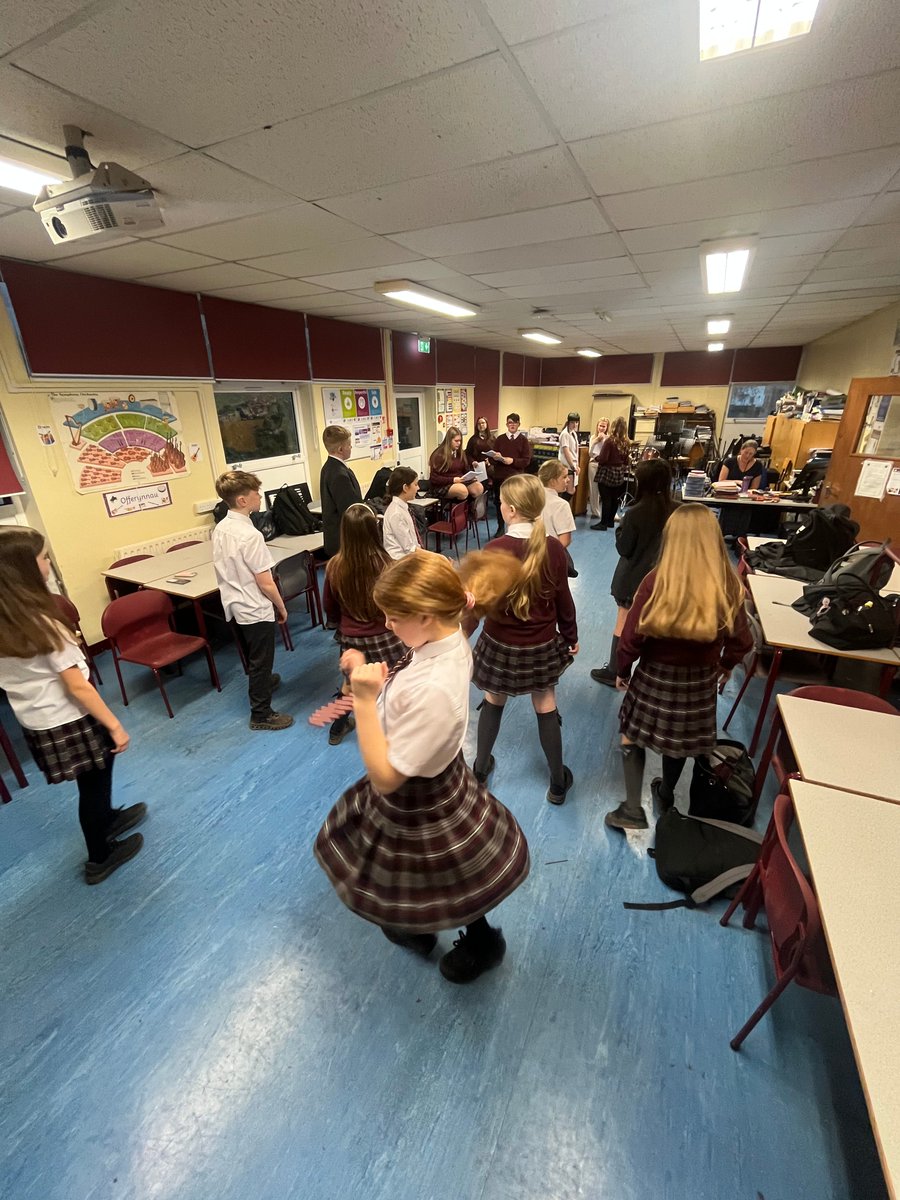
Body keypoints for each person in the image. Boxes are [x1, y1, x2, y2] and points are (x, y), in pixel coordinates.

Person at [314, 550, 530, 984]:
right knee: (436, 873)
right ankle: (418, 925)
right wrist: (367, 674)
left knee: (449, 875)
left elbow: (387, 778)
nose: (388, 626)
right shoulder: (445, 637)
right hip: (437, 772)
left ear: (428, 616)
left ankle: (482, 943)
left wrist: (361, 699)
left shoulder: (434, 689)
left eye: (394, 617)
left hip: (416, 789)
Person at [0, 527, 145, 884]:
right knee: (93, 783)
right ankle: (100, 857)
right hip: (70, 719)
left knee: (94, 778)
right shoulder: (44, 625)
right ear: (26, 570)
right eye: (44, 557)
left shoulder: (8, 619)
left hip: (38, 720)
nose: (49, 562)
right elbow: (78, 688)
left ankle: (109, 818)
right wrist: (114, 725)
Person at [605, 505, 752, 831]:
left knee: (631, 736)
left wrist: (623, 669)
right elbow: (744, 641)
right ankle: (667, 794)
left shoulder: (655, 581)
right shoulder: (728, 585)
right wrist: (726, 665)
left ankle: (632, 809)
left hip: (655, 676)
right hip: (699, 682)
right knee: (679, 741)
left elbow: (632, 635)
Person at [471, 474, 578, 805]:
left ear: (512, 510)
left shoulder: (493, 549)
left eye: (501, 503)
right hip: (541, 644)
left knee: (494, 699)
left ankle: (479, 769)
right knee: (545, 703)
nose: (499, 506)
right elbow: (564, 600)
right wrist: (571, 636)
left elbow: (480, 603)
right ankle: (557, 781)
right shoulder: (553, 550)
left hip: (499, 643)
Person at [212, 470, 293, 732]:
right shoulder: (251, 536)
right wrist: (280, 606)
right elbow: (265, 581)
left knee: (252, 655)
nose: (260, 496)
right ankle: (261, 713)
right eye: (256, 493)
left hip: (234, 603)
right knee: (261, 660)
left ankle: (264, 681)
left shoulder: (221, 527)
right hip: (254, 606)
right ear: (243, 500)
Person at [323, 504, 405, 746]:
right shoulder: (387, 564)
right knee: (395, 679)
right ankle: (397, 728)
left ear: (344, 532)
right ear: (374, 530)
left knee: (349, 685)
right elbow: (397, 603)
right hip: (386, 636)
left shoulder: (334, 566)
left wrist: (343, 626)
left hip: (352, 638)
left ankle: (336, 729)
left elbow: (329, 606)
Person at [591, 459, 676, 686]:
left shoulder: (635, 512)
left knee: (624, 621)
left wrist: (619, 531)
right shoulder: (678, 510)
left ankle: (615, 670)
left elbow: (624, 548)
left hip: (632, 578)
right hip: (666, 578)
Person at [320, 425, 363, 559]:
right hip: (344, 540)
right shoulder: (339, 474)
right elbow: (350, 510)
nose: (351, 447)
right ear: (340, 449)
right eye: (349, 445)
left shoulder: (328, 467)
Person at [488, 412, 533, 536]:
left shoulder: (523, 441)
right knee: (499, 502)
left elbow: (526, 461)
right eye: (509, 422)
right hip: (500, 477)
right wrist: (495, 458)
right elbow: (492, 459)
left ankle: (515, 528)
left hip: (515, 477)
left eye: (514, 422)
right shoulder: (500, 439)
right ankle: (500, 527)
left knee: (516, 503)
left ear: (519, 424)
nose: (512, 425)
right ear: (506, 424)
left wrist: (512, 461)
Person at [591, 415, 630, 531]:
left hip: (607, 471)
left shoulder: (610, 441)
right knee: (614, 498)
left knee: (606, 498)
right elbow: (626, 460)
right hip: (619, 473)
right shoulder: (627, 442)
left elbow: (603, 458)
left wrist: (595, 458)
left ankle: (603, 523)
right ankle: (610, 522)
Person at [427, 426, 484, 506]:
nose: (459, 443)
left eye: (460, 441)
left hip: (459, 480)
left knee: (478, 487)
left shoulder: (460, 453)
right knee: (462, 490)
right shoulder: (438, 455)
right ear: (449, 441)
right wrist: (453, 480)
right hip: (443, 485)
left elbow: (465, 470)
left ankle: (469, 511)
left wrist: (471, 476)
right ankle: (457, 514)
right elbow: (434, 479)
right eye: (456, 441)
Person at [381, 466, 421, 560]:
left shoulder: (402, 508)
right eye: (416, 484)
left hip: (410, 557)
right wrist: (435, 558)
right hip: (401, 562)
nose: (418, 488)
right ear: (405, 488)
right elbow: (409, 549)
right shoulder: (396, 513)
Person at [537, 460, 576, 549]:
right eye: (564, 477)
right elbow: (565, 540)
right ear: (553, 481)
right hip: (551, 553)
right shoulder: (561, 505)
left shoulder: (529, 498)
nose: (568, 480)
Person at [588, 418, 610, 519]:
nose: (601, 428)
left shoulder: (609, 438)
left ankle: (608, 512)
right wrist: (596, 441)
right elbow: (590, 453)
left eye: (603, 426)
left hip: (604, 465)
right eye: (600, 426)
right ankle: (595, 512)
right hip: (593, 464)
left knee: (605, 489)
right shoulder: (593, 437)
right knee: (594, 489)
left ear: (607, 428)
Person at [557, 412, 580, 499]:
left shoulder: (573, 433)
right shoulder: (565, 434)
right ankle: (561, 510)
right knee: (570, 490)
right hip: (567, 465)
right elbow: (567, 452)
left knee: (570, 490)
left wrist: (577, 465)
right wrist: (573, 466)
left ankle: (562, 510)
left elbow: (575, 452)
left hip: (572, 465)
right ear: (568, 422)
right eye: (572, 422)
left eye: (576, 422)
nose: (575, 424)